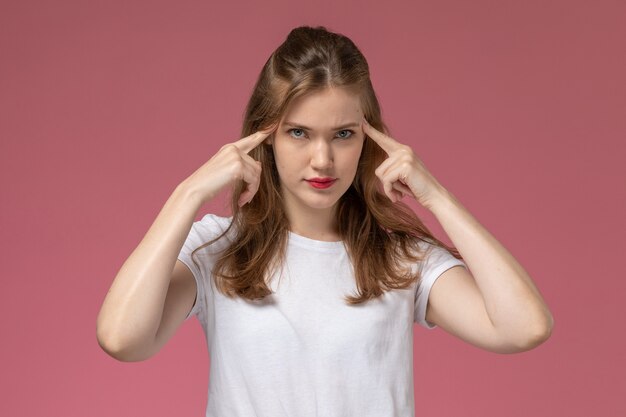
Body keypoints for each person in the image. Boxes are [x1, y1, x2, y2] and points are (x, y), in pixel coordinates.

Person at [97, 25, 553, 416]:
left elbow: (524, 327)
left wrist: (438, 198)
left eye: (343, 134)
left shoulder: (401, 260)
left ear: (368, 138)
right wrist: (189, 193)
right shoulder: (218, 249)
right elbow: (122, 339)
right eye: (299, 132)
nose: (323, 159)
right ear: (266, 135)